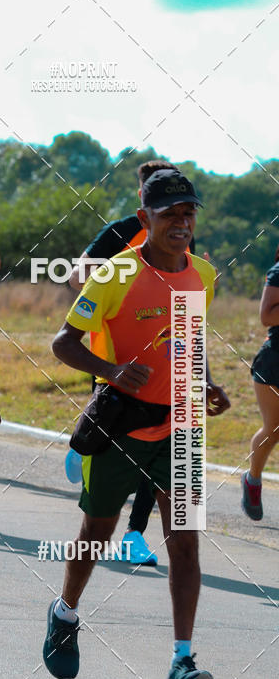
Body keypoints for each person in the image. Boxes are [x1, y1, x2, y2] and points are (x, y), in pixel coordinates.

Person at [43, 170, 230, 679]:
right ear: (144, 218)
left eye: (189, 212)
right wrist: (112, 368)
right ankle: (65, 613)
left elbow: (188, 336)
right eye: (170, 213)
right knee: (97, 532)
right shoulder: (115, 275)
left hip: (184, 422)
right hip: (123, 422)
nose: (182, 222)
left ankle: (182, 660)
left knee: (186, 542)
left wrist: (207, 382)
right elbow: (63, 343)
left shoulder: (202, 275)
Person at [69, 159, 197, 567]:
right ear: (141, 199)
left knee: (161, 452)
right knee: (109, 444)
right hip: (116, 360)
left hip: (169, 363)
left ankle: (134, 534)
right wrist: (118, 282)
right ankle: (88, 456)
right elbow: (76, 275)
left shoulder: (181, 235)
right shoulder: (122, 232)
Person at [242, 244, 279, 520]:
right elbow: (266, 316)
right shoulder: (277, 273)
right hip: (274, 363)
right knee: (273, 429)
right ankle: (252, 480)